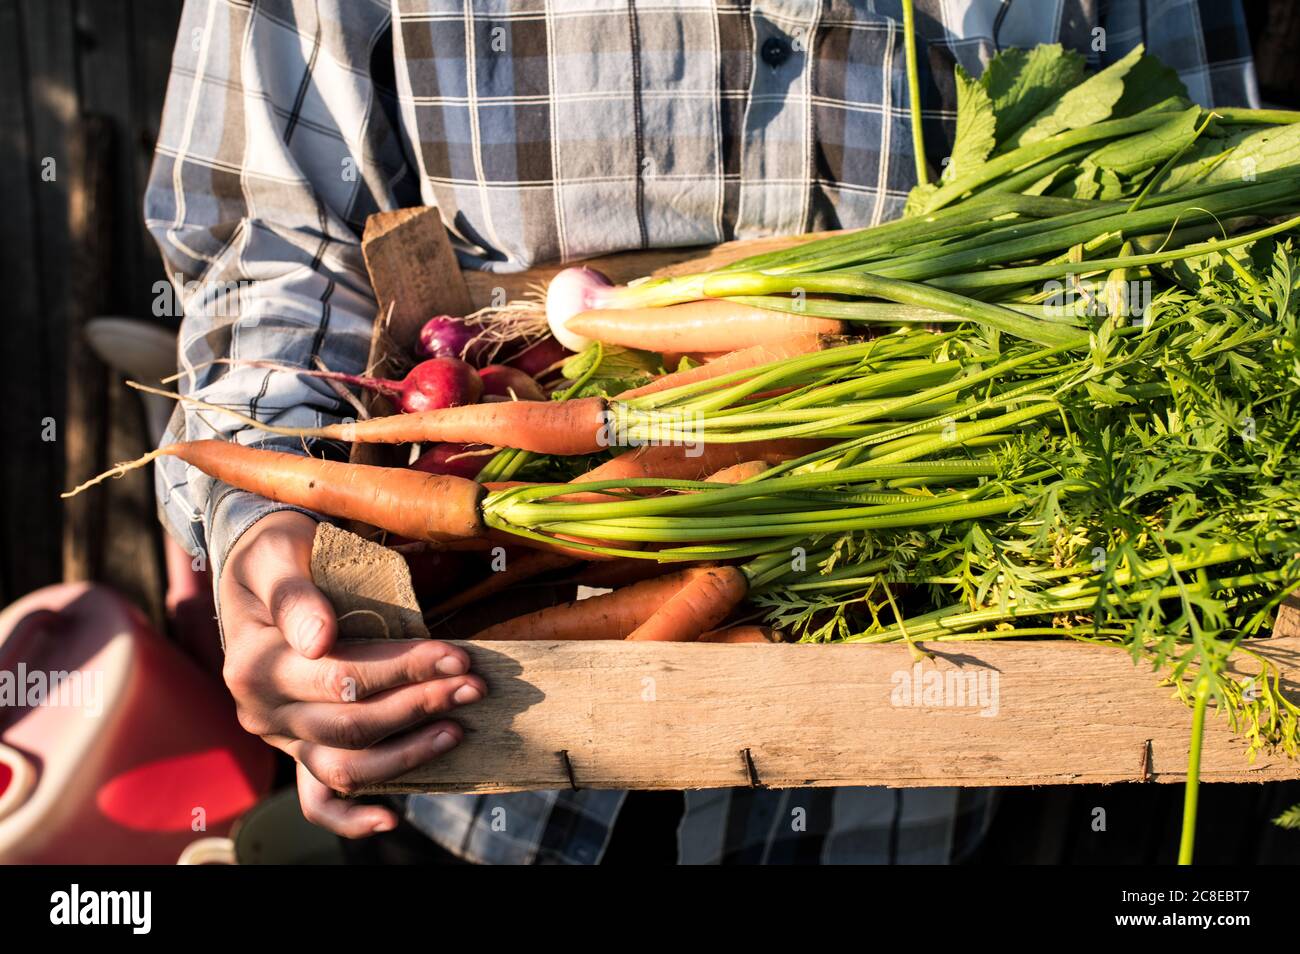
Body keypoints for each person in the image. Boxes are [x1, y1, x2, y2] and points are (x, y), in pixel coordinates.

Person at [146, 0, 1258, 864]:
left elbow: (1198, 230)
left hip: (946, 783)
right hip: (486, 782)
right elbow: (274, 242)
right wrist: (264, 525)